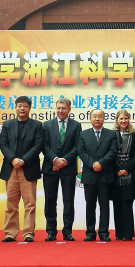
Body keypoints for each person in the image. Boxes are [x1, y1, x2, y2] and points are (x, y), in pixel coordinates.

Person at [0, 96, 44, 243]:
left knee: (30, 204)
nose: (22, 108)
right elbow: (3, 145)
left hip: (28, 168)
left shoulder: (37, 125)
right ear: (15, 107)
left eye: (25, 106)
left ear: (29, 108)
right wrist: (13, 159)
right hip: (11, 168)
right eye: (19, 106)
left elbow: (38, 146)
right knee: (11, 203)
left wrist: (23, 160)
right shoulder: (7, 124)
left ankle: (28, 233)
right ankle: (10, 233)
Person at [41, 97, 81, 242]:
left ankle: (67, 231)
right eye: (58, 108)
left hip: (68, 168)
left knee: (68, 201)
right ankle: (51, 231)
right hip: (50, 167)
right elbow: (44, 145)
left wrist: (64, 161)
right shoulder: (46, 125)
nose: (60, 111)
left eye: (63, 108)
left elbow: (77, 146)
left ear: (69, 110)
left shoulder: (76, 125)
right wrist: (55, 159)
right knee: (50, 201)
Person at [78, 109, 117, 241]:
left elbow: (113, 151)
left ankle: (104, 232)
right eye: (94, 116)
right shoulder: (83, 134)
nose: (97, 119)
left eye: (100, 116)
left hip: (105, 175)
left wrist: (101, 163)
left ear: (104, 119)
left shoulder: (111, 134)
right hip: (89, 175)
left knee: (104, 205)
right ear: (90, 118)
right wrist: (93, 164)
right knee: (90, 205)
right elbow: (81, 152)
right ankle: (90, 232)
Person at [110, 109, 135, 241]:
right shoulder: (111, 134)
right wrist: (117, 168)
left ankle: (128, 234)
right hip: (115, 174)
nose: (123, 121)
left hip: (129, 175)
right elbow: (110, 153)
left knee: (127, 205)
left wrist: (127, 169)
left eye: (126, 118)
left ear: (129, 119)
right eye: (121, 119)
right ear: (117, 120)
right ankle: (119, 233)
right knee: (117, 204)